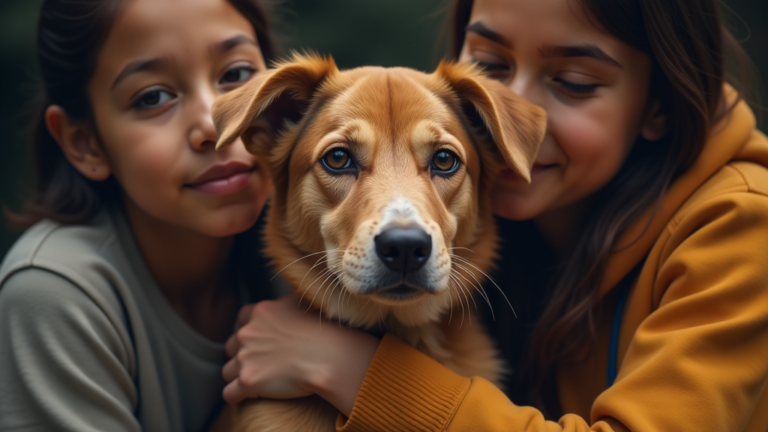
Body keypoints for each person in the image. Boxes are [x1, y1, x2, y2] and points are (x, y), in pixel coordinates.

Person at [220, 0, 768, 430]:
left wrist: (355, 372)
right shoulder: (530, 229)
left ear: (659, 104)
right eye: (490, 65)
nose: (512, 111)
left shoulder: (740, 227)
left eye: (573, 81)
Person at [0, 0, 279, 430]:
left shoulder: (324, 244)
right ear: (84, 143)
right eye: (153, 97)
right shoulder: (56, 294)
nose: (214, 125)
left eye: (236, 75)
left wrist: (348, 370)